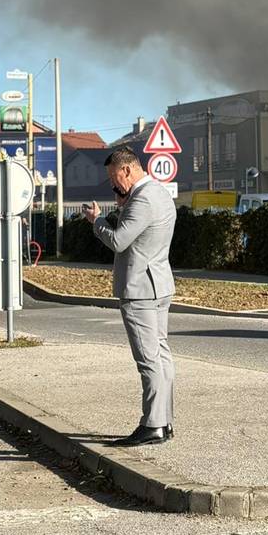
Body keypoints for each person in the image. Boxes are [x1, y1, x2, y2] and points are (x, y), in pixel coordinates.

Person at [82, 147, 177, 447]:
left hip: (140, 290)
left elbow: (119, 241)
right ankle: (164, 422)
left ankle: (152, 425)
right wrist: (122, 207)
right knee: (161, 355)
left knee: (148, 360)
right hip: (159, 284)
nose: (114, 185)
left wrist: (96, 221)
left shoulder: (142, 199)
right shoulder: (159, 194)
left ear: (126, 170)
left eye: (114, 177)